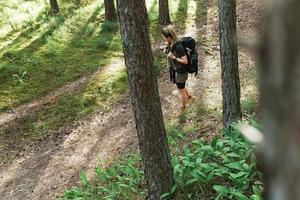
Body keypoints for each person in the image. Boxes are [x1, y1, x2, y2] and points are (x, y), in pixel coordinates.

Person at [161, 25, 193, 112]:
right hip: (177, 70)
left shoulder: (178, 47)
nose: (163, 38)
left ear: (168, 37)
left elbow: (185, 61)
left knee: (180, 91)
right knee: (181, 86)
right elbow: (170, 53)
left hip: (181, 71)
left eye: (164, 37)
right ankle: (189, 97)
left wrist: (174, 57)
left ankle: (183, 108)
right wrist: (166, 50)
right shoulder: (172, 44)